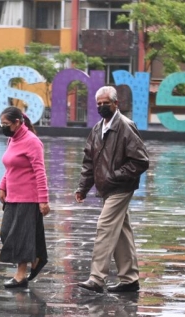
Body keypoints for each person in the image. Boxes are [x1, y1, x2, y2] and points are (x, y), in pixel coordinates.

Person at [76, 86, 149, 293]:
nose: (101, 107)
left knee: (105, 226)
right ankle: (130, 279)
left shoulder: (126, 126)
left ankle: (97, 278)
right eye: (98, 103)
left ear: (116, 104)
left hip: (120, 187)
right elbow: (89, 161)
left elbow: (141, 160)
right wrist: (83, 187)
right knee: (121, 232)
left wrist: (114, 176)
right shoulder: (98, 129)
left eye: (105, 103)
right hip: (106, 188)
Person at [0, 106, 50, 289]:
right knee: (5, 233)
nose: (3, 127)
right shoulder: (12, 140)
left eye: (6, 124)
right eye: (1, 123)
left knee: (20, 236)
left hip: (28, 197)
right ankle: (36, 256)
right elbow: (10, 167)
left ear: (18, 123)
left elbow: (40, 172)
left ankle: (21, 276)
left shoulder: (32, 142)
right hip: (12, 196)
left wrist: (43, 200)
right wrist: (2, 186)